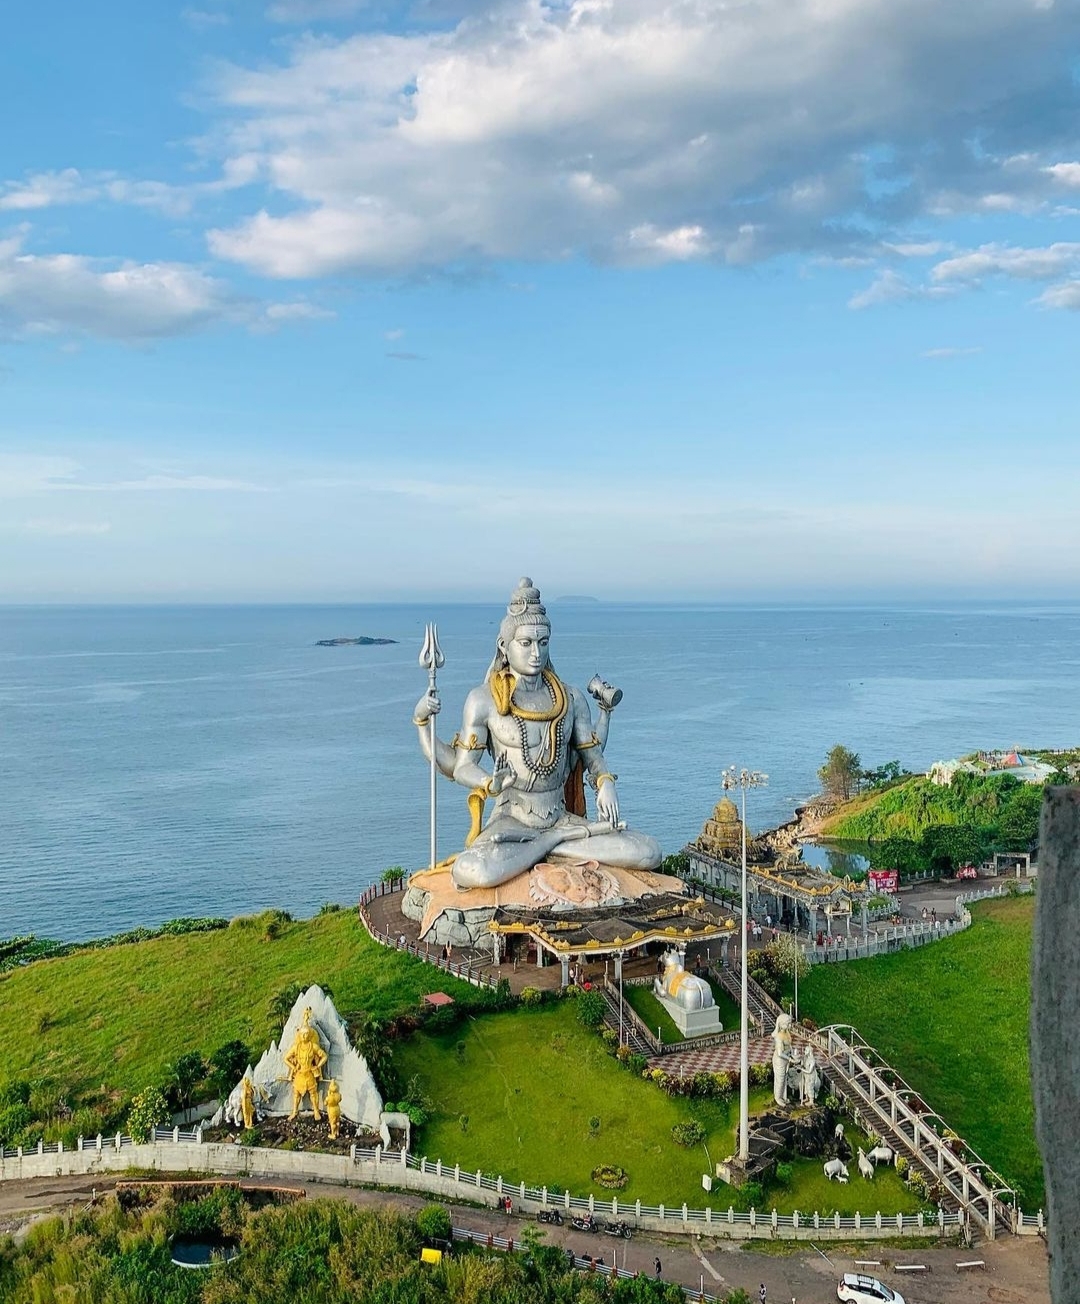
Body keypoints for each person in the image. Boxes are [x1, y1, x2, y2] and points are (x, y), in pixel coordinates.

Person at [412, 578, 661, 889]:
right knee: (473, 869)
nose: (536, 653)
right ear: (505, 645)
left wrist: (605, 783)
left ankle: (550, 844)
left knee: (647, 851)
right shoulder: (484, 700)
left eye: (543, 643)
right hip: (511, 821)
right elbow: (461, 766)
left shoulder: (569, 699)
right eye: (526, 643)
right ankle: (553, 845)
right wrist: (487, 781)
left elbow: (592, 757)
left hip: (561, 816)